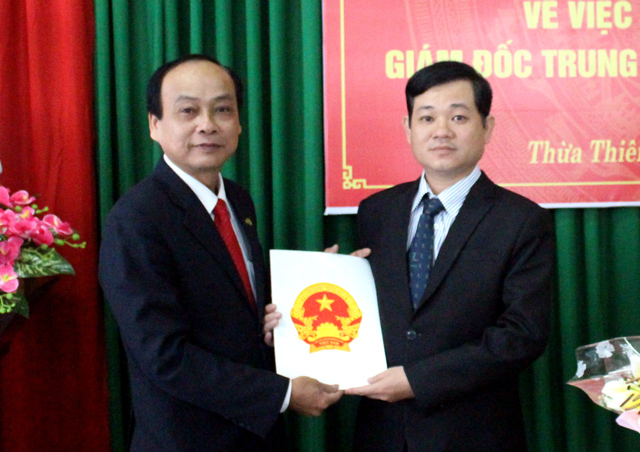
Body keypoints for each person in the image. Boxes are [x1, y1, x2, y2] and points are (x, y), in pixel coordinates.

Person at [265, 61, 554, 452]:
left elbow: (522, 335)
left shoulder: (521, 219)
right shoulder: (377, 211)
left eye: (458, 117)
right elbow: (369, 315)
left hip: (472, 433)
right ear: (408, 128)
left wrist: (418, 381)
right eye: (427, 117)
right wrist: (321, 286)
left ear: (487, 127)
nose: (441, 131)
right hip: (381, 432)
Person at [99, 54, 342, 452]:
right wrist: (281, 395)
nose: (207, 124)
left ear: (240, 123)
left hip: (257, 436)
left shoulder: (239, 202)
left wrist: (320, 282)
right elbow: (164, 355)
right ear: (154, 124)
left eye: (223, 109)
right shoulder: (136, 219)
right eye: (188, 111)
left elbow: (236, 310)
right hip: (187, 439)